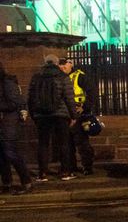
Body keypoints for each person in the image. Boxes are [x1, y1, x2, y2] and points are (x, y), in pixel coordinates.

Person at [28, 54, 78, 182]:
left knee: (43, 144)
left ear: (45, 63)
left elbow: (30, 98)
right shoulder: (62, 77)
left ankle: (42, 173)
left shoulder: (36, 77)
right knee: (63, 143)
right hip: (60, 114)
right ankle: (65, 172)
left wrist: (33, 114)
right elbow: (69, 98)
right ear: (57, 63)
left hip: (41, 115)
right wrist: (73, 115)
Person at [0, 62, 33, 195]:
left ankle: (26, 182)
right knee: (1, 155)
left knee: (11, 153)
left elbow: (15, 103)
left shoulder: (7, 83)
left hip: (8, 123)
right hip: (3, 124)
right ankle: (7, 183)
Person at [60, 59, 96, 175]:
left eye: (64, 65)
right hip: (65, 113)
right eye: (60, 65)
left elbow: (92, 92)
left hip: (78, 114)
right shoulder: (59, 77)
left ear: (70, 65)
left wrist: (84, 107)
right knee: (67, 142)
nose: (62, 67)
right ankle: (71, 167)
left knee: (82, 142)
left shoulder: (79, 76)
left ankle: (87, 167)